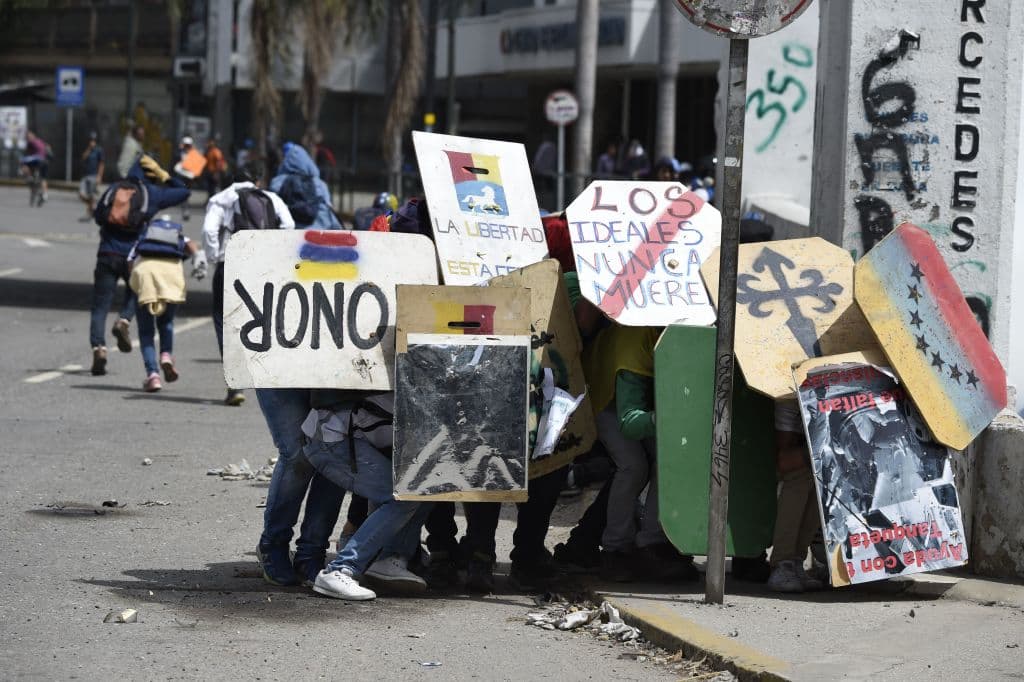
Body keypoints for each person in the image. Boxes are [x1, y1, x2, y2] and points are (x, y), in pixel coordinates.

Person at [88, 154, 190, 376]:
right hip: (133, 258)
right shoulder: (151, 193)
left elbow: (98, 216)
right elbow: (184, 192)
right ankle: (124, 320)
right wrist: (165, 176)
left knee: (100, 305)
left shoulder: (114, 188)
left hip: (106, 253)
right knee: (137, 294)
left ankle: (99, 349)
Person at [202, 161, 294, 406]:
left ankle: (235, 384)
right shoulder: (271, 198)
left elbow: (209, 230)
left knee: (223, 320)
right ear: (257, 180)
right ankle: (268, 378)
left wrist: (215, 256)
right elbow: (289, 226)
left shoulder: (221, 199)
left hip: (230, 263)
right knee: (259, 318)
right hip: (260, 266)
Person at [128, 215, 207, 392]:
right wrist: (198, 260)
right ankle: (166, 355)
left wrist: (134, 285)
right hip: (172, 277)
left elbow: (130, 260)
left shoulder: (145, 235)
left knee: (146, 331)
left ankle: (153, 375)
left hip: (145, 275)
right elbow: (192, 246)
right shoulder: (177, 236)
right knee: (166, 322)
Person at [768, 401, 825, 593]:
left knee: (819, 477)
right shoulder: (789, 399)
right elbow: (785, 460)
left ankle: (795, 561)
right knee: (799, 475)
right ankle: (782, 564)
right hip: (802, 439)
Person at [270, 142, 341, 230]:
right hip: (319, 230)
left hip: (289, 232)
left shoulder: (277, 182)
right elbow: (328, 208)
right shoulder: (319, 184)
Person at [172, 136, 205, 222]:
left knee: (187, 193)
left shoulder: (194, 154)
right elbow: (174, 165)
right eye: (186, 145)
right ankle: (185, 209)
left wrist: (196, 176)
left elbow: (198, 166)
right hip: (180, 176)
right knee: (183, 192)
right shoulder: (178, 153)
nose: (187, 147)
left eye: (188, 145)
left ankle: (185, 209)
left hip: (189, 178)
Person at [78, 132, 105, 221]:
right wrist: (89, 149)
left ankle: (89, 214)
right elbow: (83, 158)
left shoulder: (99, 150)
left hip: (94, 175)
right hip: (85, 175)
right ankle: (93, 208)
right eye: (90, 140)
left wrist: (99, 176)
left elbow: (101, 164)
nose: (92, 142)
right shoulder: (87, 150)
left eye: (93, 140)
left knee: (91, 195)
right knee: (81, 195)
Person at [20, 130, 50, 204]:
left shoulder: (30, 142)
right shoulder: (41, 141)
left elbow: (27, 154)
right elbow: (48, 148)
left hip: (37, 160)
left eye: (28, 137)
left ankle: (29, 177)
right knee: (43, 179)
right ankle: (45, 195)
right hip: (44, 161)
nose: (28, 138)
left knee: (23, 162)